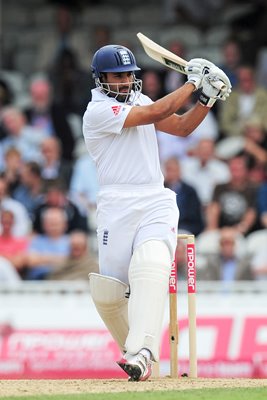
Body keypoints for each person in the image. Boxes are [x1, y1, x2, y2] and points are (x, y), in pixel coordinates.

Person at [83, 44, 231, 381]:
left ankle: (142, 353)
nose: (123, 81)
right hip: (115, 205)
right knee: (109, 292)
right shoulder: (97, 111)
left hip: (154, 199)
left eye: (128, 75)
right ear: (100, 78)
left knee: (152, 265)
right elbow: (151, 116)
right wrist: (193, 83)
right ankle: (139, 357)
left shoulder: (142, 100)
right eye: (116, 76)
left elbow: (180, 127)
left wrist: (205, 99)